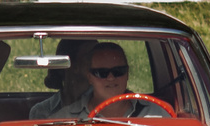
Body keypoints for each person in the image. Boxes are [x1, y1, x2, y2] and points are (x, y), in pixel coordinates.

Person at [29, 41, 161, 120]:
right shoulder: (63, 119)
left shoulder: (157, 113)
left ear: (127, 73)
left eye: (118, 71)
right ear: (90, 77)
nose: (111, 78)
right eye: (101, 73)